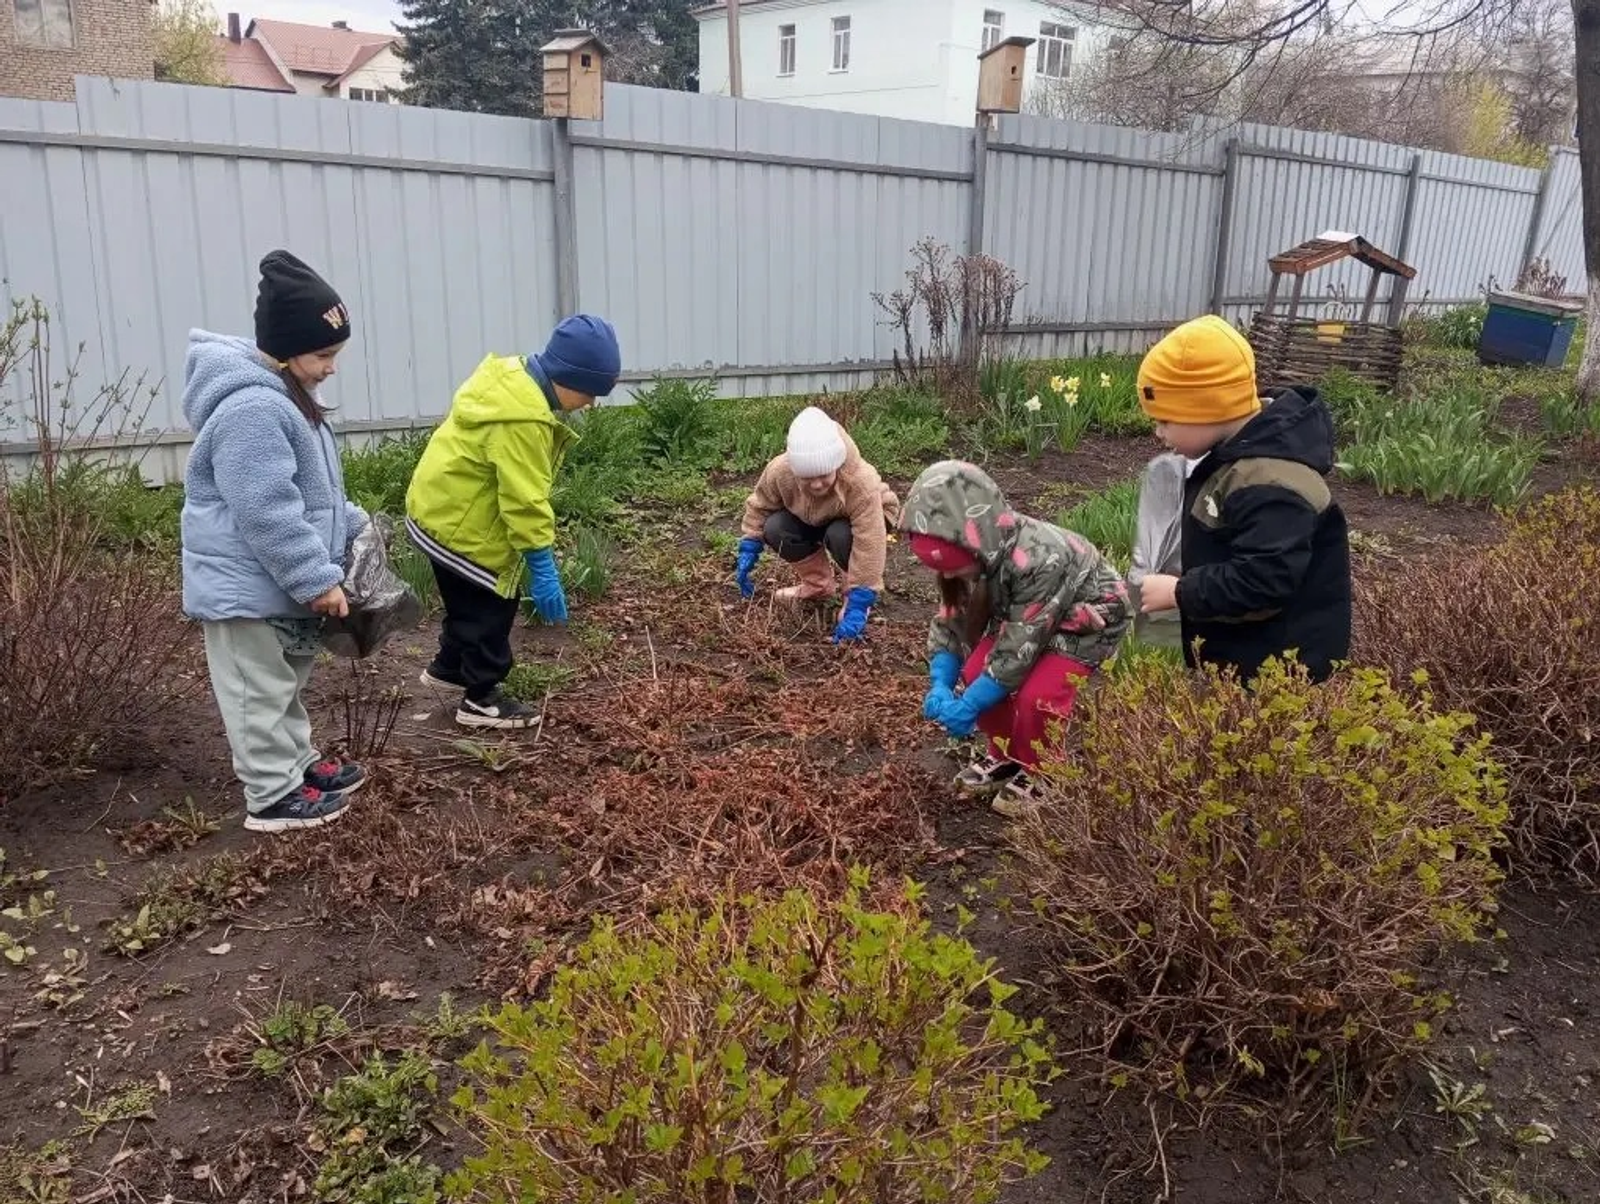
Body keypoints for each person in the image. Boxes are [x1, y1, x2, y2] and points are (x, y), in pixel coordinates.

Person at [180, 250, 368, 833]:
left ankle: (297, 766)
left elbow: (308, 491)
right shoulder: (254, 408)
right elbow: (267, 509)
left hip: (270, 583)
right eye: (324, 355)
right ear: (285, 349)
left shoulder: (283, 397)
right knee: (255, 692)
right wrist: (315, 576)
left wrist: (352, 523)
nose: (332, 367)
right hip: (245, 587)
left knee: (283, 683)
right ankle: (271, 796)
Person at [406, 315, 621, 730]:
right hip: (462, 528)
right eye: (591, 392)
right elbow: (524, 501)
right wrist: (541, 565)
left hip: (437, 511)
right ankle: (481, 699)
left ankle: (449, 667)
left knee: (465, 600)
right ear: (567, 376)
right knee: (491, 606)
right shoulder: (522, 421)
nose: (592, 403)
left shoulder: (508, 382)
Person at [902, 460, 1131, 816]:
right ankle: (1007, 752)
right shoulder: (973, 559)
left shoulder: (1039, 558)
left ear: (974, 543)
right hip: (1023, 613)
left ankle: (1046, 770)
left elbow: (1016, 651)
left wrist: (971, 705)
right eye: (942, 570)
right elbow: (952, 620)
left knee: (1039, 696)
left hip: (1085, 617)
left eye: (955, 567)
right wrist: (941, 681)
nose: (950, 575)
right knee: (977, 673)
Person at [1132, 315, 1352, 684]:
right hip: (1245, 652)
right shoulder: (1239, 456)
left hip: (1277, 669)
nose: (1157, 432)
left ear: (1207, 408)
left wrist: (1180, 593)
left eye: (1166, 420)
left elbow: (1264, 580)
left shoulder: (1270, 483)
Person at [734, 405, 900, 643]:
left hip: (865, 520)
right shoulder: (780, 471)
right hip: (811, 517)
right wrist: (749, 545)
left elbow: (870, 540)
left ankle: (852, 598)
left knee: (840, 535)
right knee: (775, 527)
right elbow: (760, 505)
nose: (817, 485)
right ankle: (818, 585)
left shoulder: (859, 483)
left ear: (836, 464)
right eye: (807, 478)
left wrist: (861, 596)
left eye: (824, 475)